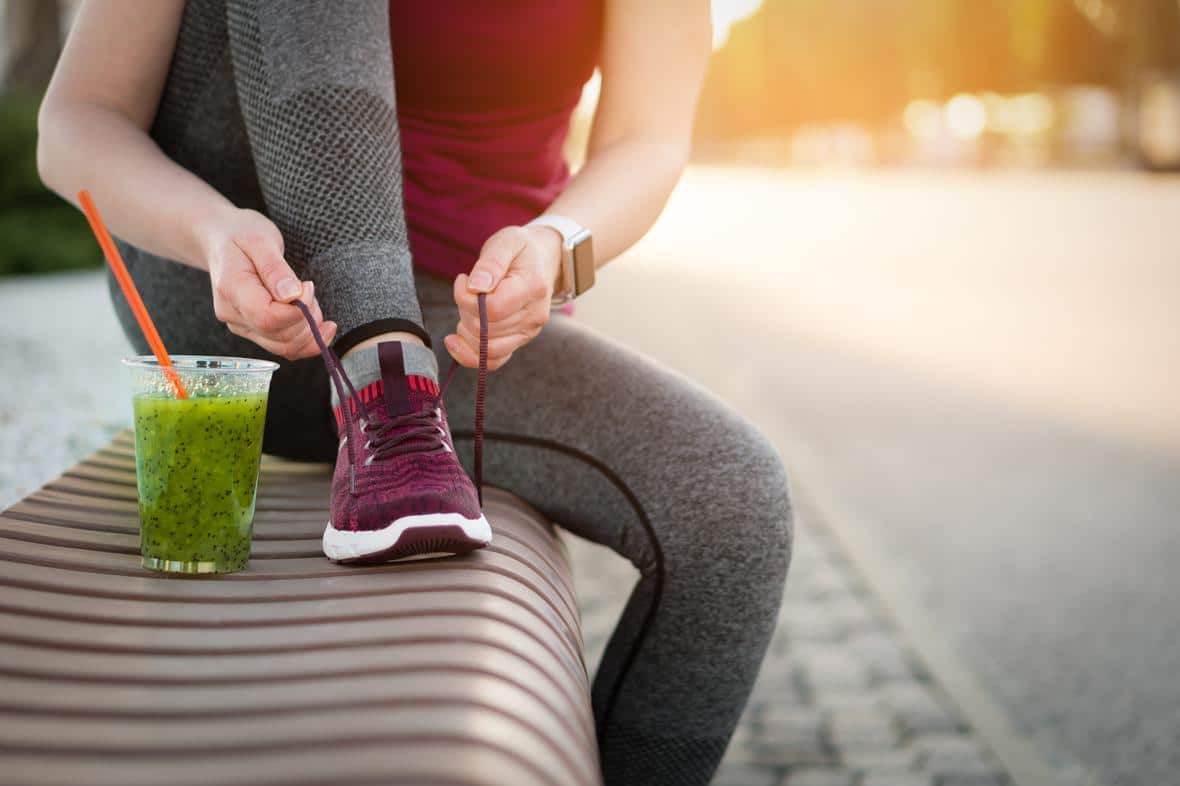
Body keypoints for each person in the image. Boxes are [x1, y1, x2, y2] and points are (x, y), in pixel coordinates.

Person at [37, 2, 793, 783]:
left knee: (734, 504)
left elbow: (649, 139)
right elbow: (75, 123)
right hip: (251, 280)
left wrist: (555, 245)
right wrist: (209, 231)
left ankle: (400, 389)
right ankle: (383, 377)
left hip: (462, 319)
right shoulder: (227, 252)